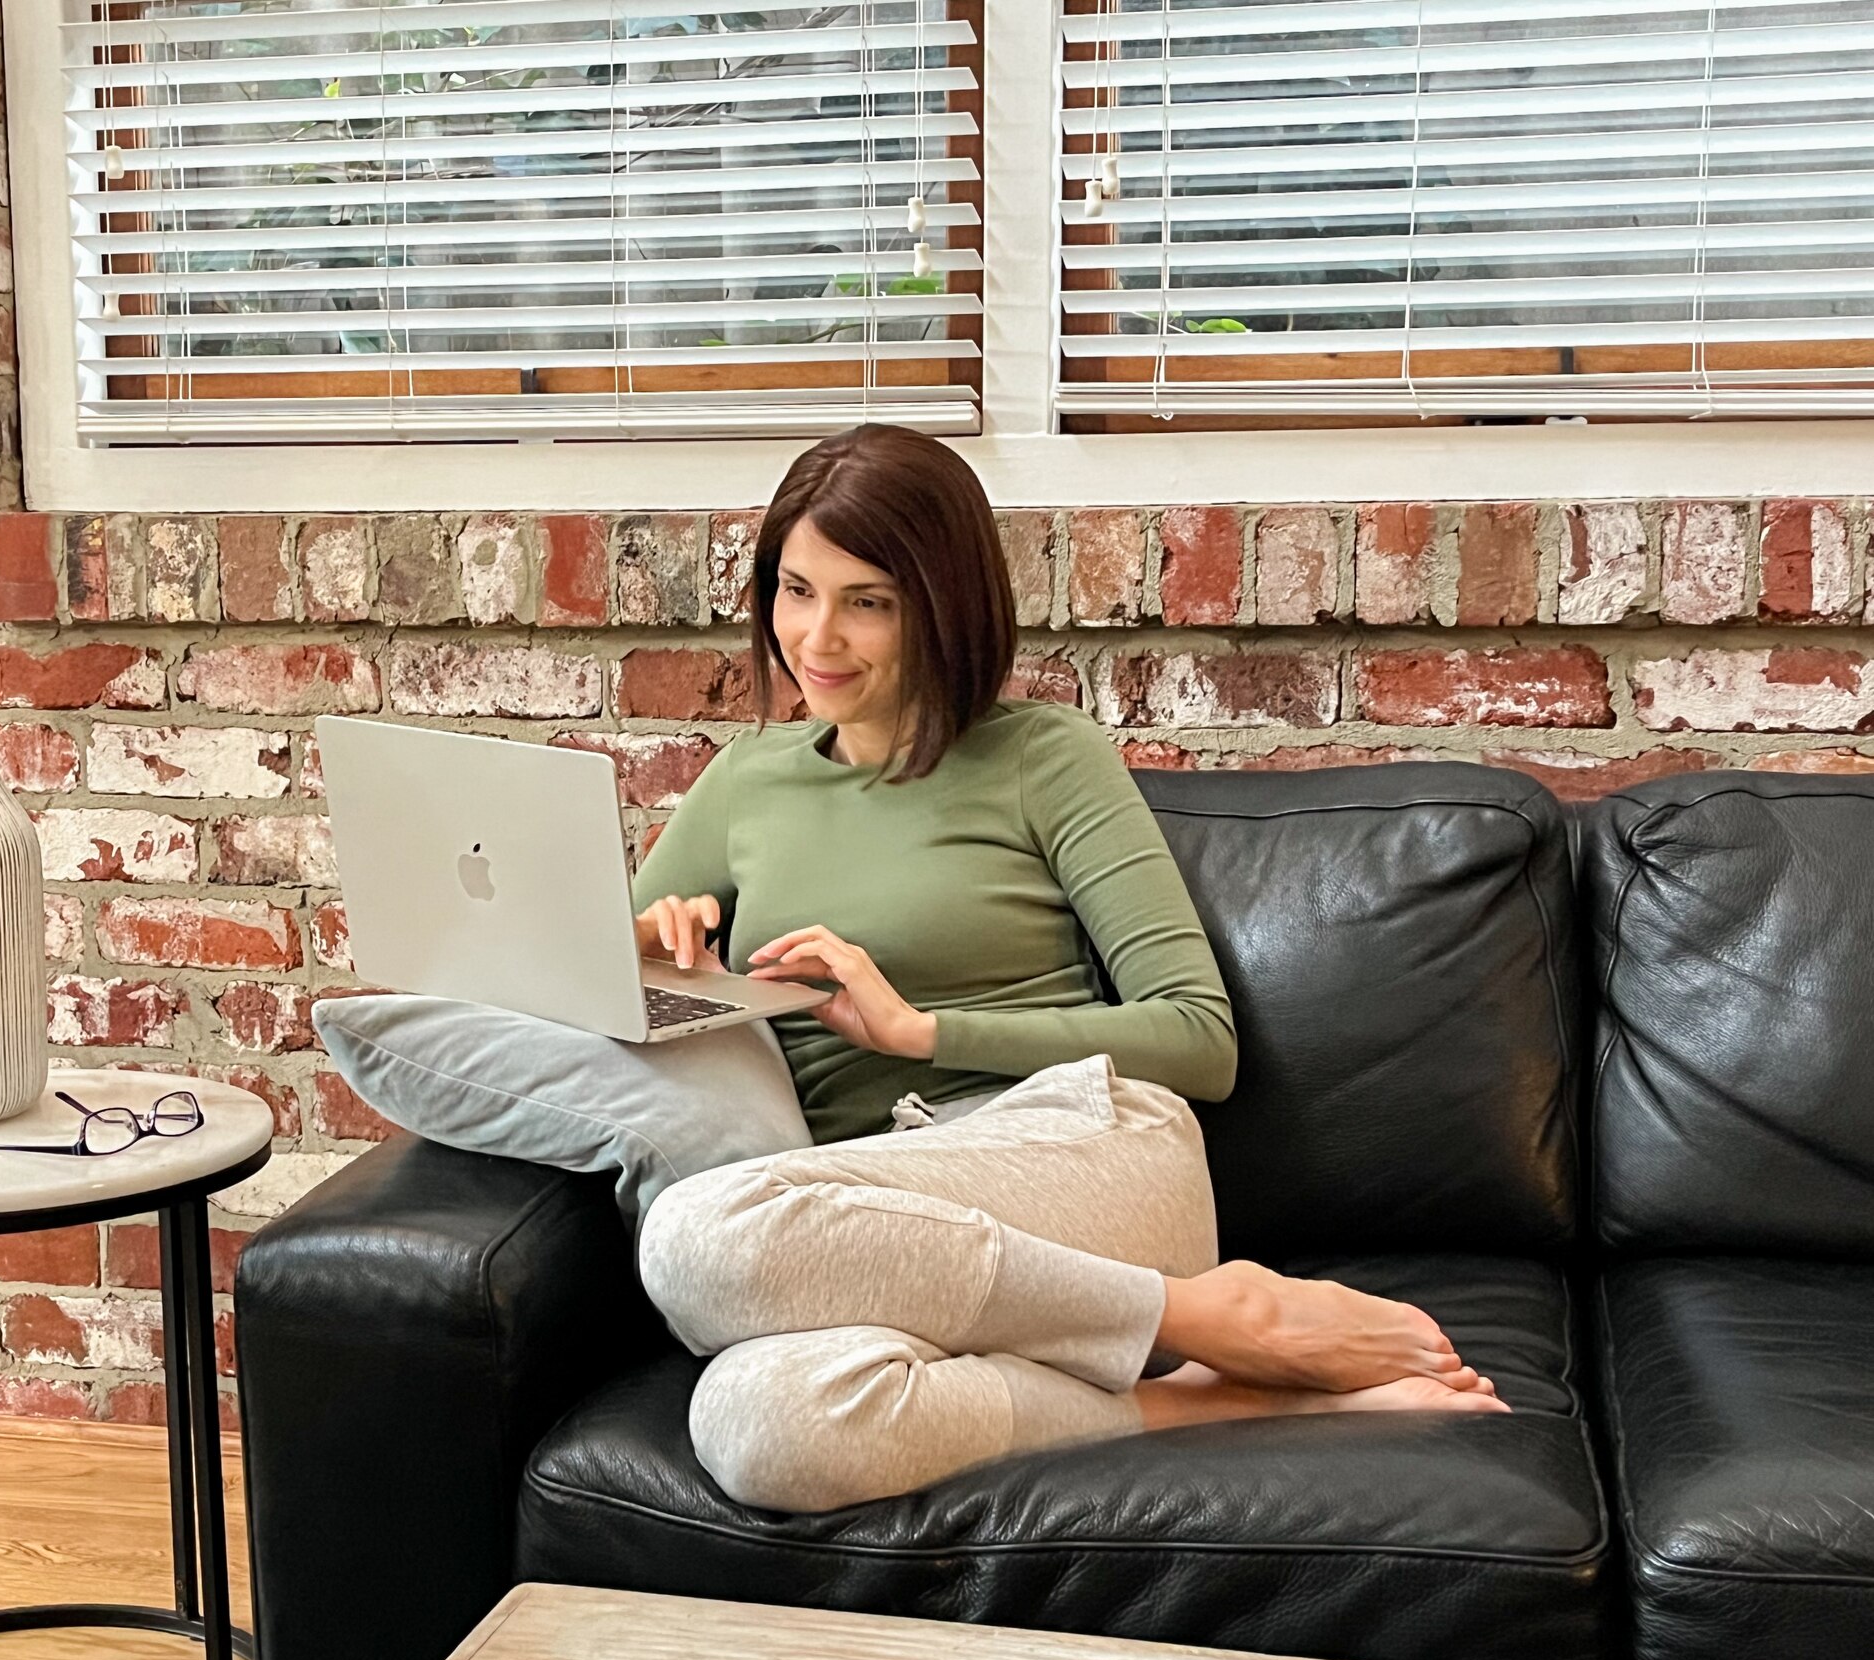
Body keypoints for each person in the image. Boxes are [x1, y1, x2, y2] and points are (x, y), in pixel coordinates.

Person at [628, 424, 1507, 1515]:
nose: (817, 638)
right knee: (759, 1425)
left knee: (698, 1234)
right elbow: (605, 987)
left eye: (868, 602)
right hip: (889, 1230)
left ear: (942, 607)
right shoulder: (743, 782)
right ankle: (1214, 1376)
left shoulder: (1043, 754)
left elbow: (1198, 1039)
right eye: (795, 590)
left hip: (1079, 1149)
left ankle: (1213, 1314)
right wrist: (660, 950)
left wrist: (923, 1034)